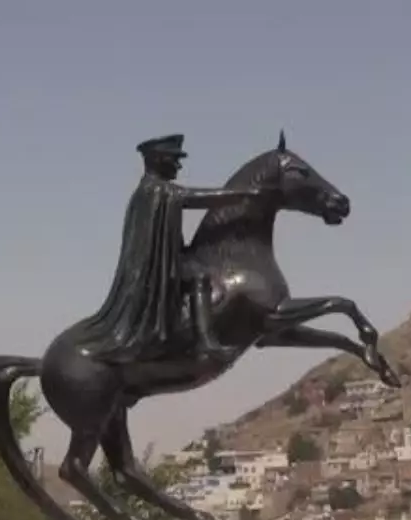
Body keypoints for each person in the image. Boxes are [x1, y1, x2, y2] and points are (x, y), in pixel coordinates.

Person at [79, 134, 273, 363]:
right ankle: (206, 343)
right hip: (155, 267)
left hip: (164, 259)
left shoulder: (150, 192)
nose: (179, 165)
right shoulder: (156, 191)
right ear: (159, 160)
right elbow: (197, 198)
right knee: (199, 276)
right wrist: (245, 194)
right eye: (174, 159)